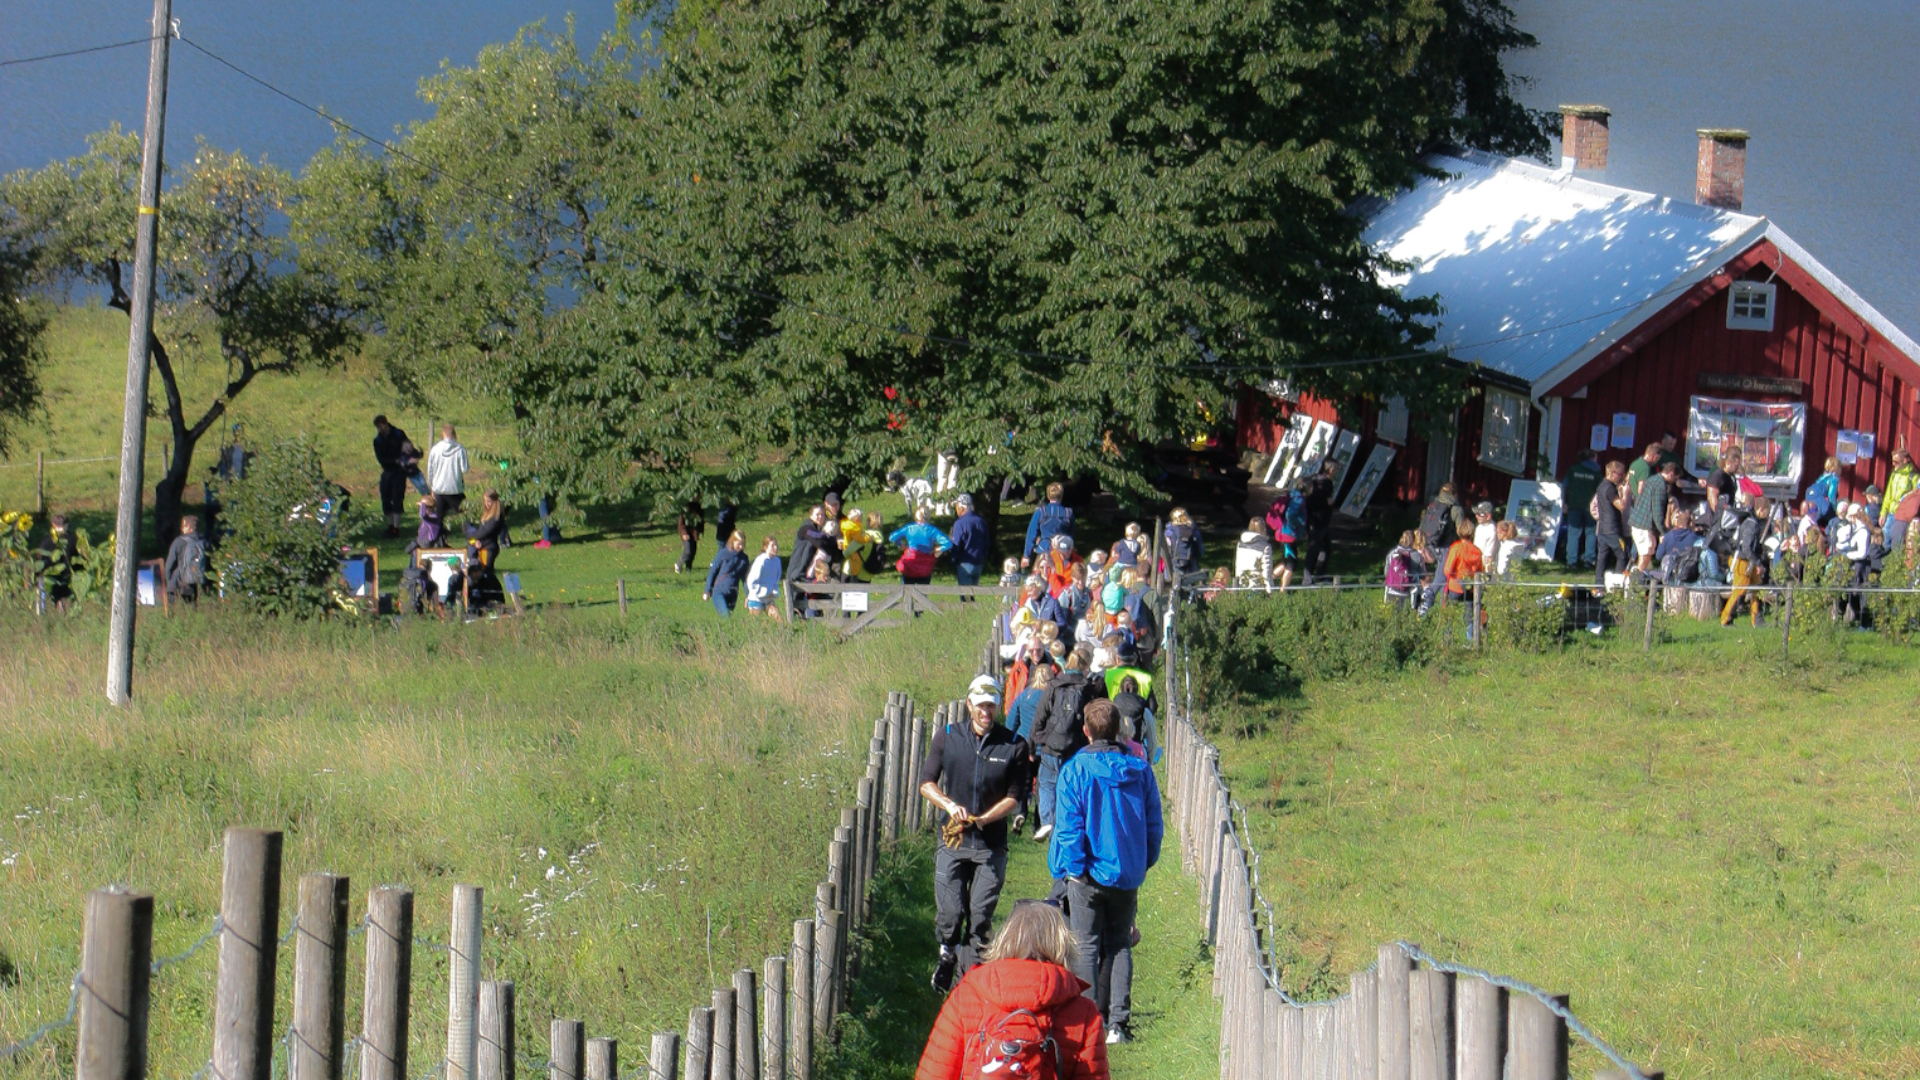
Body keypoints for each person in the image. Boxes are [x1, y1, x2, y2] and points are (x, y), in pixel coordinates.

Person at [1049, 697, 1163, 1045]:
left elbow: (1068, 826)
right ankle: (1119, 1023)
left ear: (1086, 731)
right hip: (1126, 872)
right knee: (1120, 944)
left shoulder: (1075, 770)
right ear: (1118, 730)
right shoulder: (1140, 770)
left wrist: (1073, 869)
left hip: (1087, 874)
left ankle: (1090, 1022)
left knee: (1085, 944)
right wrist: (1143, 861)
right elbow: (1154, 824)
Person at [913, 899, 1111, 1080]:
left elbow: (935, 1073)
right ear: (1063, 946)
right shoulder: (1084, 1013)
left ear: (1004, 939)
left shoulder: (967, 996)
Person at [919, 677, 1032, 991]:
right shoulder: (948, 737)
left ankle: (969, 983)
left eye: (991, 705)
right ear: (969, 705)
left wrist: (984, 818)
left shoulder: (1014, 745)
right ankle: (947, 954)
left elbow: (1015, 796)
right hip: (953, 840)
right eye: (980, 705)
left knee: (980, 915)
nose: (986, 711)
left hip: (990, 845)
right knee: (950, 911)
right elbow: (926, 783)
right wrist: (949, 805)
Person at [1028, 644, 1095, 843]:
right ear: (1085, 666)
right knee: (1073, 788)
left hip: (1051, 746)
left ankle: (1048, 821)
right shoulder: (1088, 688)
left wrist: (1033, 744)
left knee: (1047, 785)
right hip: (1076, 747)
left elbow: (1039, 718)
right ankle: (1070, 825)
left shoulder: (1054, 685)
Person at [1721, 496, 1770, 627]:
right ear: (1761, 509)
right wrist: (1758, 563)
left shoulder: (1751, 521)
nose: (1768, 514)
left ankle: (1757, 618)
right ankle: (1725, 619)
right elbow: (1746, 548)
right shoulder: (1751, 525)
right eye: (1767, 510)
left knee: (1755, 588)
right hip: (1742, 561)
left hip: (1750, 561)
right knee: (1739, 591)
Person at [372, 415, 418, 537]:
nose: (379, 429)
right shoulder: (377, 441)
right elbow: (381, 459)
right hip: (387, 471)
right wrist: (395, 461)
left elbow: (408, 448)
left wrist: (411, 458)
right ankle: (390, 525)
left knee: (397, 499)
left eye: (380, 426)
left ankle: (396, 528)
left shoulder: (398, 434)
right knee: (386, 499)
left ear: (385, 424)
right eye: (377, 427)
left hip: (399, 472)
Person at [1629, 460, 1678, 572]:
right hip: (1644, 525)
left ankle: (1642, 576)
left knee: (1647, 552)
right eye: (1675, 478)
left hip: (1639, 521)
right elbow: (1657, 512)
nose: (1675, 482)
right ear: (1671, 474)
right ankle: (1637, 579)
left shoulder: (1652, 479)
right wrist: (1663, 532)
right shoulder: (1660, 486)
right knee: (1645, 555)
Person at [1559, 449, 1602, 569]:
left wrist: (1564, 502)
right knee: (1591, 532)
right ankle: (1589, 559)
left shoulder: (1573, 469)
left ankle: (1571, 561)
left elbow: (1564, 486)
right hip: (1591, 507)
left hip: (1574, 505)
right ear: (1593, 458)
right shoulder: (1597, 472)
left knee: (1573, 533)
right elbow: (1600, 490)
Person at [1443, 520, 1485, 641]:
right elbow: (1480, 571)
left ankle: (1447, 639)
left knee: (1449, 614)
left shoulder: (1456, 548)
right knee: (1470, 615)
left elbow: (1447, 570)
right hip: (1470, 587)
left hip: (1455, 587)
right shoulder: (1477, 551)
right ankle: (1470, 640)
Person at [892, 505, 954, 585]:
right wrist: (935, 550)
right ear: (928, 516)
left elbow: (892, 537)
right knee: (923, 591)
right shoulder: (932, 530)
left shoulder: (909, 528)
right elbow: (948, 543)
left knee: (906, 590)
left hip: (910, 563)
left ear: (916, 515)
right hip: (925, 567)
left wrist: (903, 546)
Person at [1023, 482, 1075, 571]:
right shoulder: (1068, 513)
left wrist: (1026, 555)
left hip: (1044, 548)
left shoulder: (1040, 512)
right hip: (1062, 551)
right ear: (1061, 496)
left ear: (1048, 496)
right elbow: (1070, 535)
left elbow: (1031, 534)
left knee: (1041, 575)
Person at [1594, 460, 1629, 586]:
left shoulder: (1601, 486)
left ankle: (1598, 584)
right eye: (1620, 474)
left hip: (1602, 529)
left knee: (1602, 557)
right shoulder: (1609, 489)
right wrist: (1625, 493)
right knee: (1622, 554)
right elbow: (1621, 506)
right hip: (1612, 529)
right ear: (1612, 473)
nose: (1621, 477)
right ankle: (1617, 583)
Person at [703, 530, 751, 617]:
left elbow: (745, 579)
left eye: (742, 544)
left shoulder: (744, 559)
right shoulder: (723, 554)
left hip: (733, 593)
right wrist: (707, 590)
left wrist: (748, 595)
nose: (741, 547)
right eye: (739, 544)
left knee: (728, 619)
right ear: (733, 541)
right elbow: (713, 572)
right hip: (719, 591)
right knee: (726, 616)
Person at [1301, 462, 1336, 579]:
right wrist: (1326, 502)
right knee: (1314, 548)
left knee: (1326, 548)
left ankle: (1320, 573)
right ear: (1330, 469)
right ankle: (1308, 577)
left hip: (1323, 521)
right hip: (1316, 521)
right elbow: (1312, 501)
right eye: (1335, 468)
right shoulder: (1321, 483)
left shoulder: (1321, 481)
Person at [426, 424, 469, 518]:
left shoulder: (435, 449)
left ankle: (439, 527)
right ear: (454, 434)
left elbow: (430, 470)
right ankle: (466, 526)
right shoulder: (460, 449)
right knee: (463, 513)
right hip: (455, 488)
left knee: (440, 516)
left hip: (438, 488)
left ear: (442, 433)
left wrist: (432, 486)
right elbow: (465, 469)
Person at [164, 514, 209, 604]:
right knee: (192, 608)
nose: (182, 529)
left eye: (183, 526)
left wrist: (169, 581)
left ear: (188, 526)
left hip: (178, 582)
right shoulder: (204, 542)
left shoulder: (179, 541)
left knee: (173, 609)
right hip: (196, 583)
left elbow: (169, 565)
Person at [949, 493, 991, 587]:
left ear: (961, 508)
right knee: (973, 591)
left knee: (965, 593)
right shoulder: (981, 521)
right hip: (979, 562)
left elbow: (956, 544)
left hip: (965, 563)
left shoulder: (959, 523)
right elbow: (987, 542)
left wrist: (954, 560)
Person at [1417, 483, 1471, 556]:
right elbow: (1461, 532)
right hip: (1446, 547)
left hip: (1426, 545)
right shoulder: (1456, 509)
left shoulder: (1433, 505)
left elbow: (1422, 524)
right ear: (1455, 494)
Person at [1884, 448, 1919, 551]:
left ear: (1905, 460)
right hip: (1891, 511)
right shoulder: (1894, 475)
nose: (1893, 464)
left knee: (1898, 540)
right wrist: (1883, 512)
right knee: (1886, 535)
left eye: (1896, 462)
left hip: (1902, 514)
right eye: (1893, 461)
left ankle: (1895, 558)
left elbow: (1916, 495)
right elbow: (1888, 495)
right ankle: (1886, 558)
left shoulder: (1913, 476)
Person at [1162, 509, 1202, 589]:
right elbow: (1199, 545)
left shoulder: (1170, 531)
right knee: (1190, 581)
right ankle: (1190, 593)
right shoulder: (1192, 529)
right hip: (1190, 560)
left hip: (1176, 560)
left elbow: (1168, 546)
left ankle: (1177, 593)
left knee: (1177, 581)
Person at [466, 491, 509, 568]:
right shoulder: (487, 514)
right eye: (485, 501)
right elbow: (480, 530)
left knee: (487, 570)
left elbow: (485, 532)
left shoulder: (496, 517)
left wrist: (471, 536)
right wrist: (474, 541)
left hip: (489, 547)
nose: (487, 504)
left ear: (495, 501)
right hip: (481, 545)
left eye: (489, 501)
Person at [745, 536, 783, 617]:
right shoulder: (761, 560)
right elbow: (751, 580)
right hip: (756, 599)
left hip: (769, 599)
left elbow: (776, 579)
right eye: (772, 545)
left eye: (776, 545)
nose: (775, 548)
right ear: (766, 547)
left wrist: (773, 591)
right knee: (756, 623)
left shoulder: (777, 561)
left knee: (779, 620)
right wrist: (761, 591)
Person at [1384, 530, 1423, 606]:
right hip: (1408, 589)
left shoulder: (1392, 553)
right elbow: (1422, 573)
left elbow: (1386, 572)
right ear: (1413, 541)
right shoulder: (1416, 555)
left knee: (1393, 608)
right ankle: (1415, 608)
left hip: (1392, 587)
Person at [1234, 518, 1275, 591]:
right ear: (1263, 528)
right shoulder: (1265, 546)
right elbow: (1266, 571)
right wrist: (1269, 590)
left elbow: (1238, 565)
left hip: (1241, 583)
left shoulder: (1240, 544)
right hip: (1257, 585)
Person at [1704, 446, 1741, 518]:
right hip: (1715, 519)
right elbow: (1712, 498)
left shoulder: (1731, 476)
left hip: (1727, 516)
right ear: (1728, 463)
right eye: (1736, 465)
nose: (1737, 468)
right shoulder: (1718, 476)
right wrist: (1719, 516)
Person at [1805, 456, 1842, 527]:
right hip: (1822, 506)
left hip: (1812, 505)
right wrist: (1835, 509)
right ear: (1837, 468)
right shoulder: (1834, 478)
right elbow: (1831, 495)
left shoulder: (1822, 477)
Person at [674, 499, 705, 575]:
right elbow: (681, 523)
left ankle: (688, 569)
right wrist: (684, 533)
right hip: (686, 533)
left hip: (694, 534)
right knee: (688, 551)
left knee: (693, 552)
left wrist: (700, 531)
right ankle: (678, 563)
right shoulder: (686, 508)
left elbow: (701, 521)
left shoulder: (699, 507)